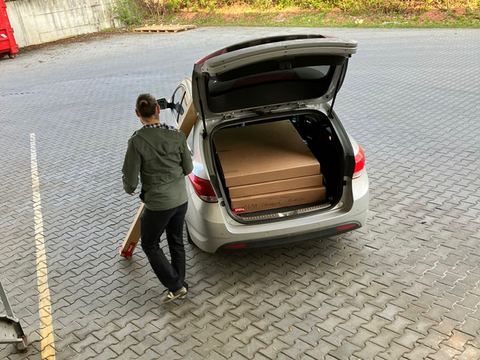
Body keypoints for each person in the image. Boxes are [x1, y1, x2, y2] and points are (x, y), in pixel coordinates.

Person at [122, 93, 193, 303]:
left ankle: (175, 285)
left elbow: (131, 178)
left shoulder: (137, 141)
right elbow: (188, 168)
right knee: (176, 240)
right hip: (180, 199)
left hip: (158, 203)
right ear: (158, 110)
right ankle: (180, 283)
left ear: (137, 114)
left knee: (150, 243)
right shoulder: (177, 135)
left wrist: (129, 188)